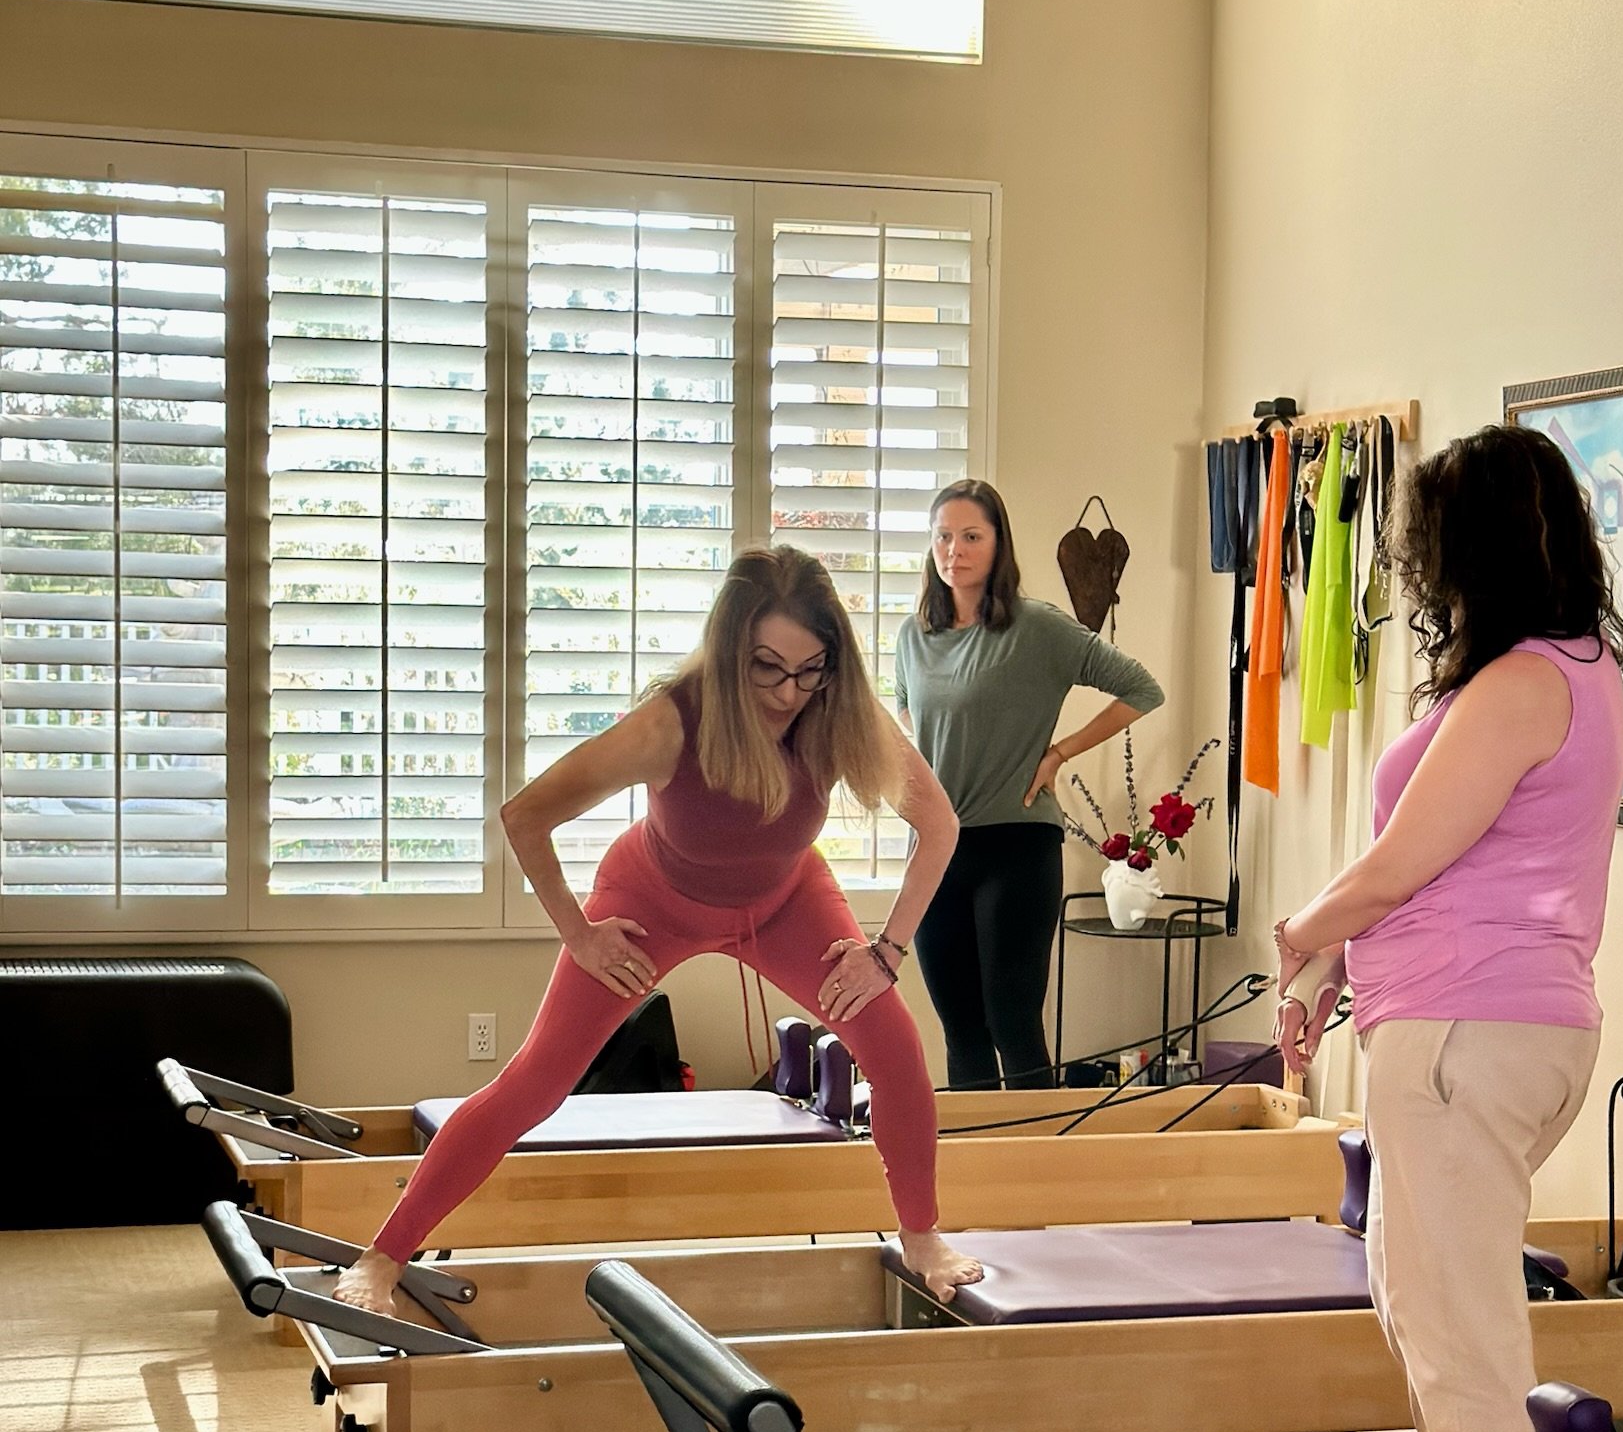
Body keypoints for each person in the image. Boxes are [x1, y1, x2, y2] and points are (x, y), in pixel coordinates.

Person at [334, 546, 985, 1314]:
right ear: (729, 651)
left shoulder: (840, 711)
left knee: (897, 1047)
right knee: (535, 1084)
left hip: (784, 899)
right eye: (767, 668)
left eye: (811, 669)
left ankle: (922, 1239)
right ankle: (383, 1255)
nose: (789, 691)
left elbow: (938, 824)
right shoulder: (668, 722)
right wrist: (581, 936)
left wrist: (888, 950)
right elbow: (526, 816)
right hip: (652, 898)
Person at [1272, 423, 1623, 1432]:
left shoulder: (1523, 683)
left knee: (1460, 1335)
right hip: (1490, 1027)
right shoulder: (1575, 668)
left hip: (1464, 1037)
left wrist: (1300, 934)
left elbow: (1397, 864)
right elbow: (1423, 863)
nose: (1420, 566)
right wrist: (1332, 957)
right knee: (1420, 1301)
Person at [895, 479, 1164, 1089]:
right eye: (942, 537)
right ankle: (969, 1174)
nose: (953, 551)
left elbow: (1142, 689)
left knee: (1012, 1023)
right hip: (937, 853)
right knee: (960, 1028)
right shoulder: (914, 636)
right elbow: (908, 712)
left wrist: (1060, 752)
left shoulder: (1038, 628)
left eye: (970, 537)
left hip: (1017, 848)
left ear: (997, 546)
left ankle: (1036, 1170)